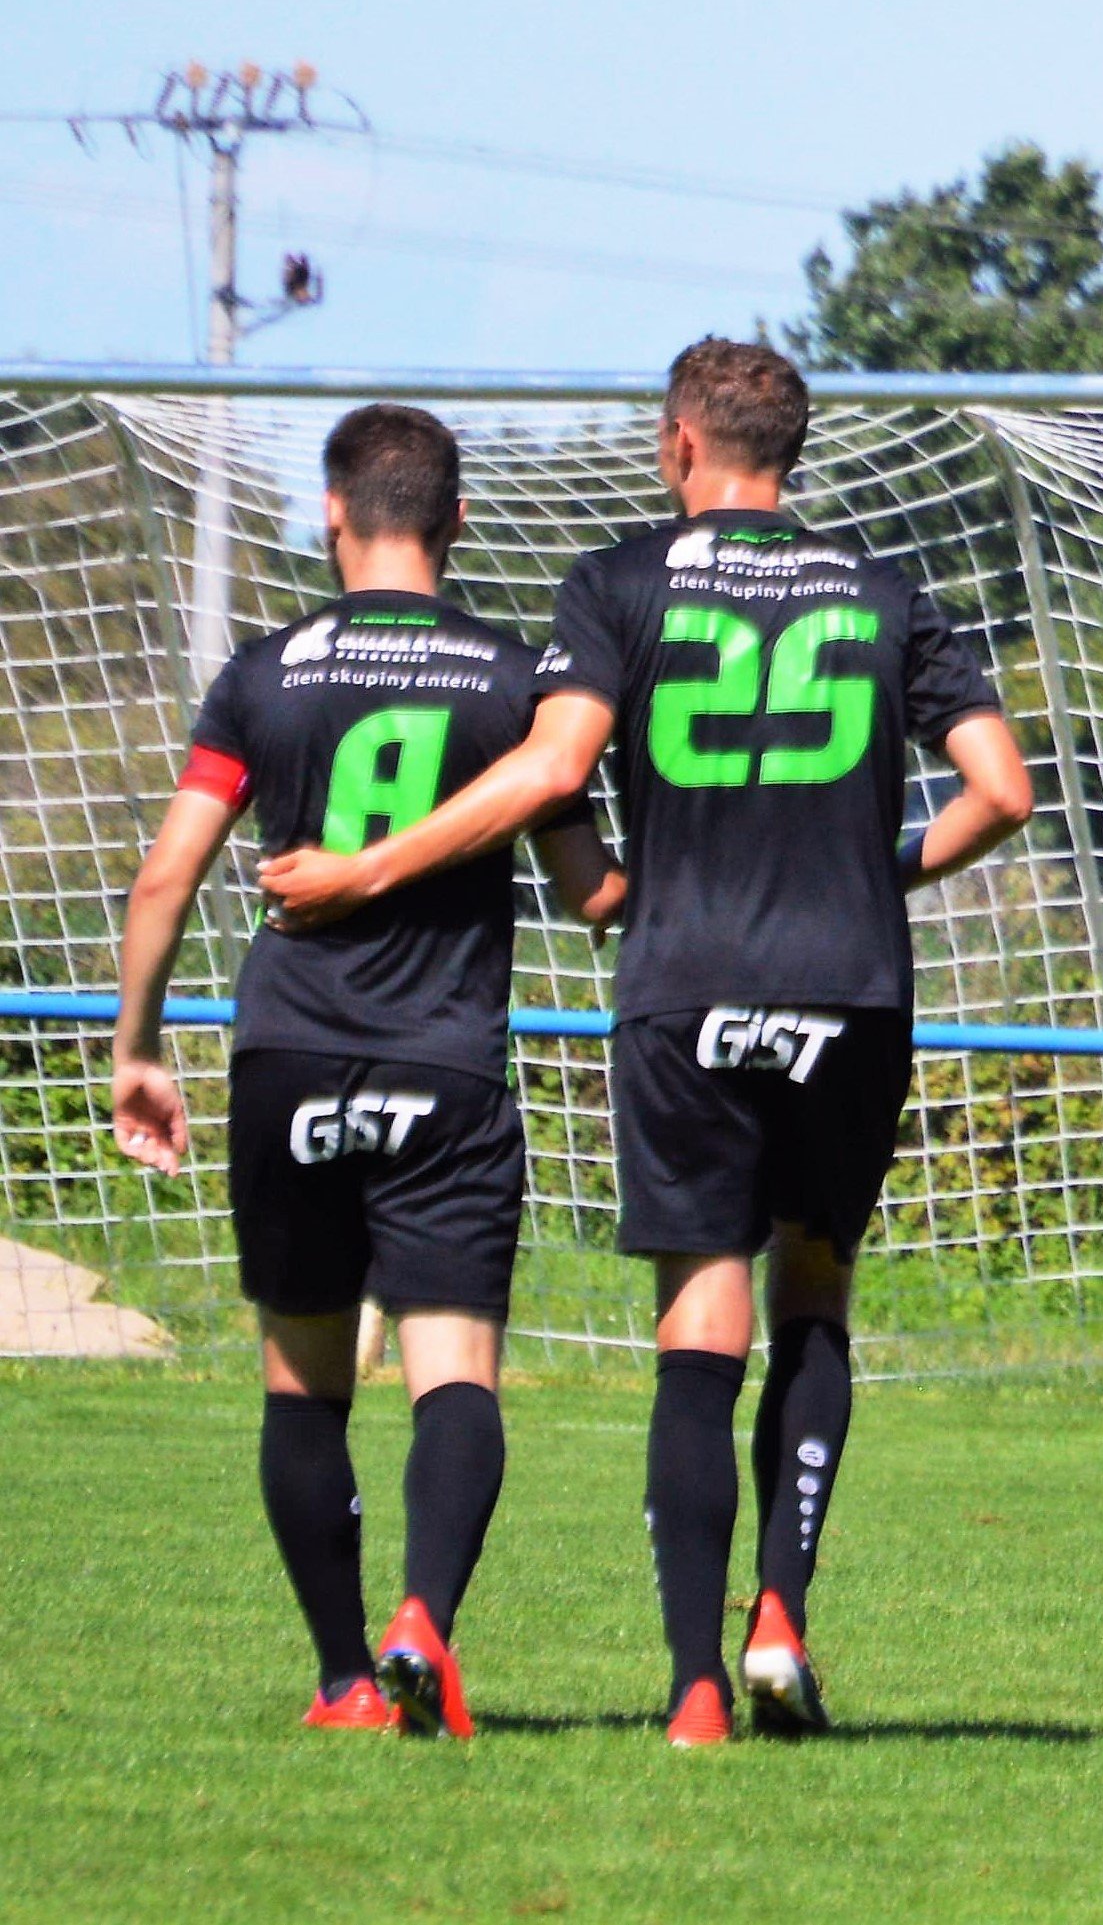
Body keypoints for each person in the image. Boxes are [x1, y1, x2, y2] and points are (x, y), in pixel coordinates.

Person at [257, 340, 1034, 1744]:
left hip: (685, 985)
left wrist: (368, 869)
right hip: (849, 987)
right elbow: (1002, 790)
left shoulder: (618, 582)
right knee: (814, 1288)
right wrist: (876, 872)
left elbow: (555, 769)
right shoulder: (882, 588)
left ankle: (691, 1692)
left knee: (699, 1316)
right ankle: (779, 1614)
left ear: (681, 444)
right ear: (789, 450)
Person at [111, 403, 623, 1737]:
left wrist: (137, 1049)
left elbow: (166, 876)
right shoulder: (516, 681)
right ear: (458, 520)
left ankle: (344, 1680)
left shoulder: (261, 673)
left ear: (332, 512)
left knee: (304, 1383)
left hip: (288, 1057)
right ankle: (422, 1624)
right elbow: (590, 889)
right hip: (443, 1063)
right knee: (454, 1374)